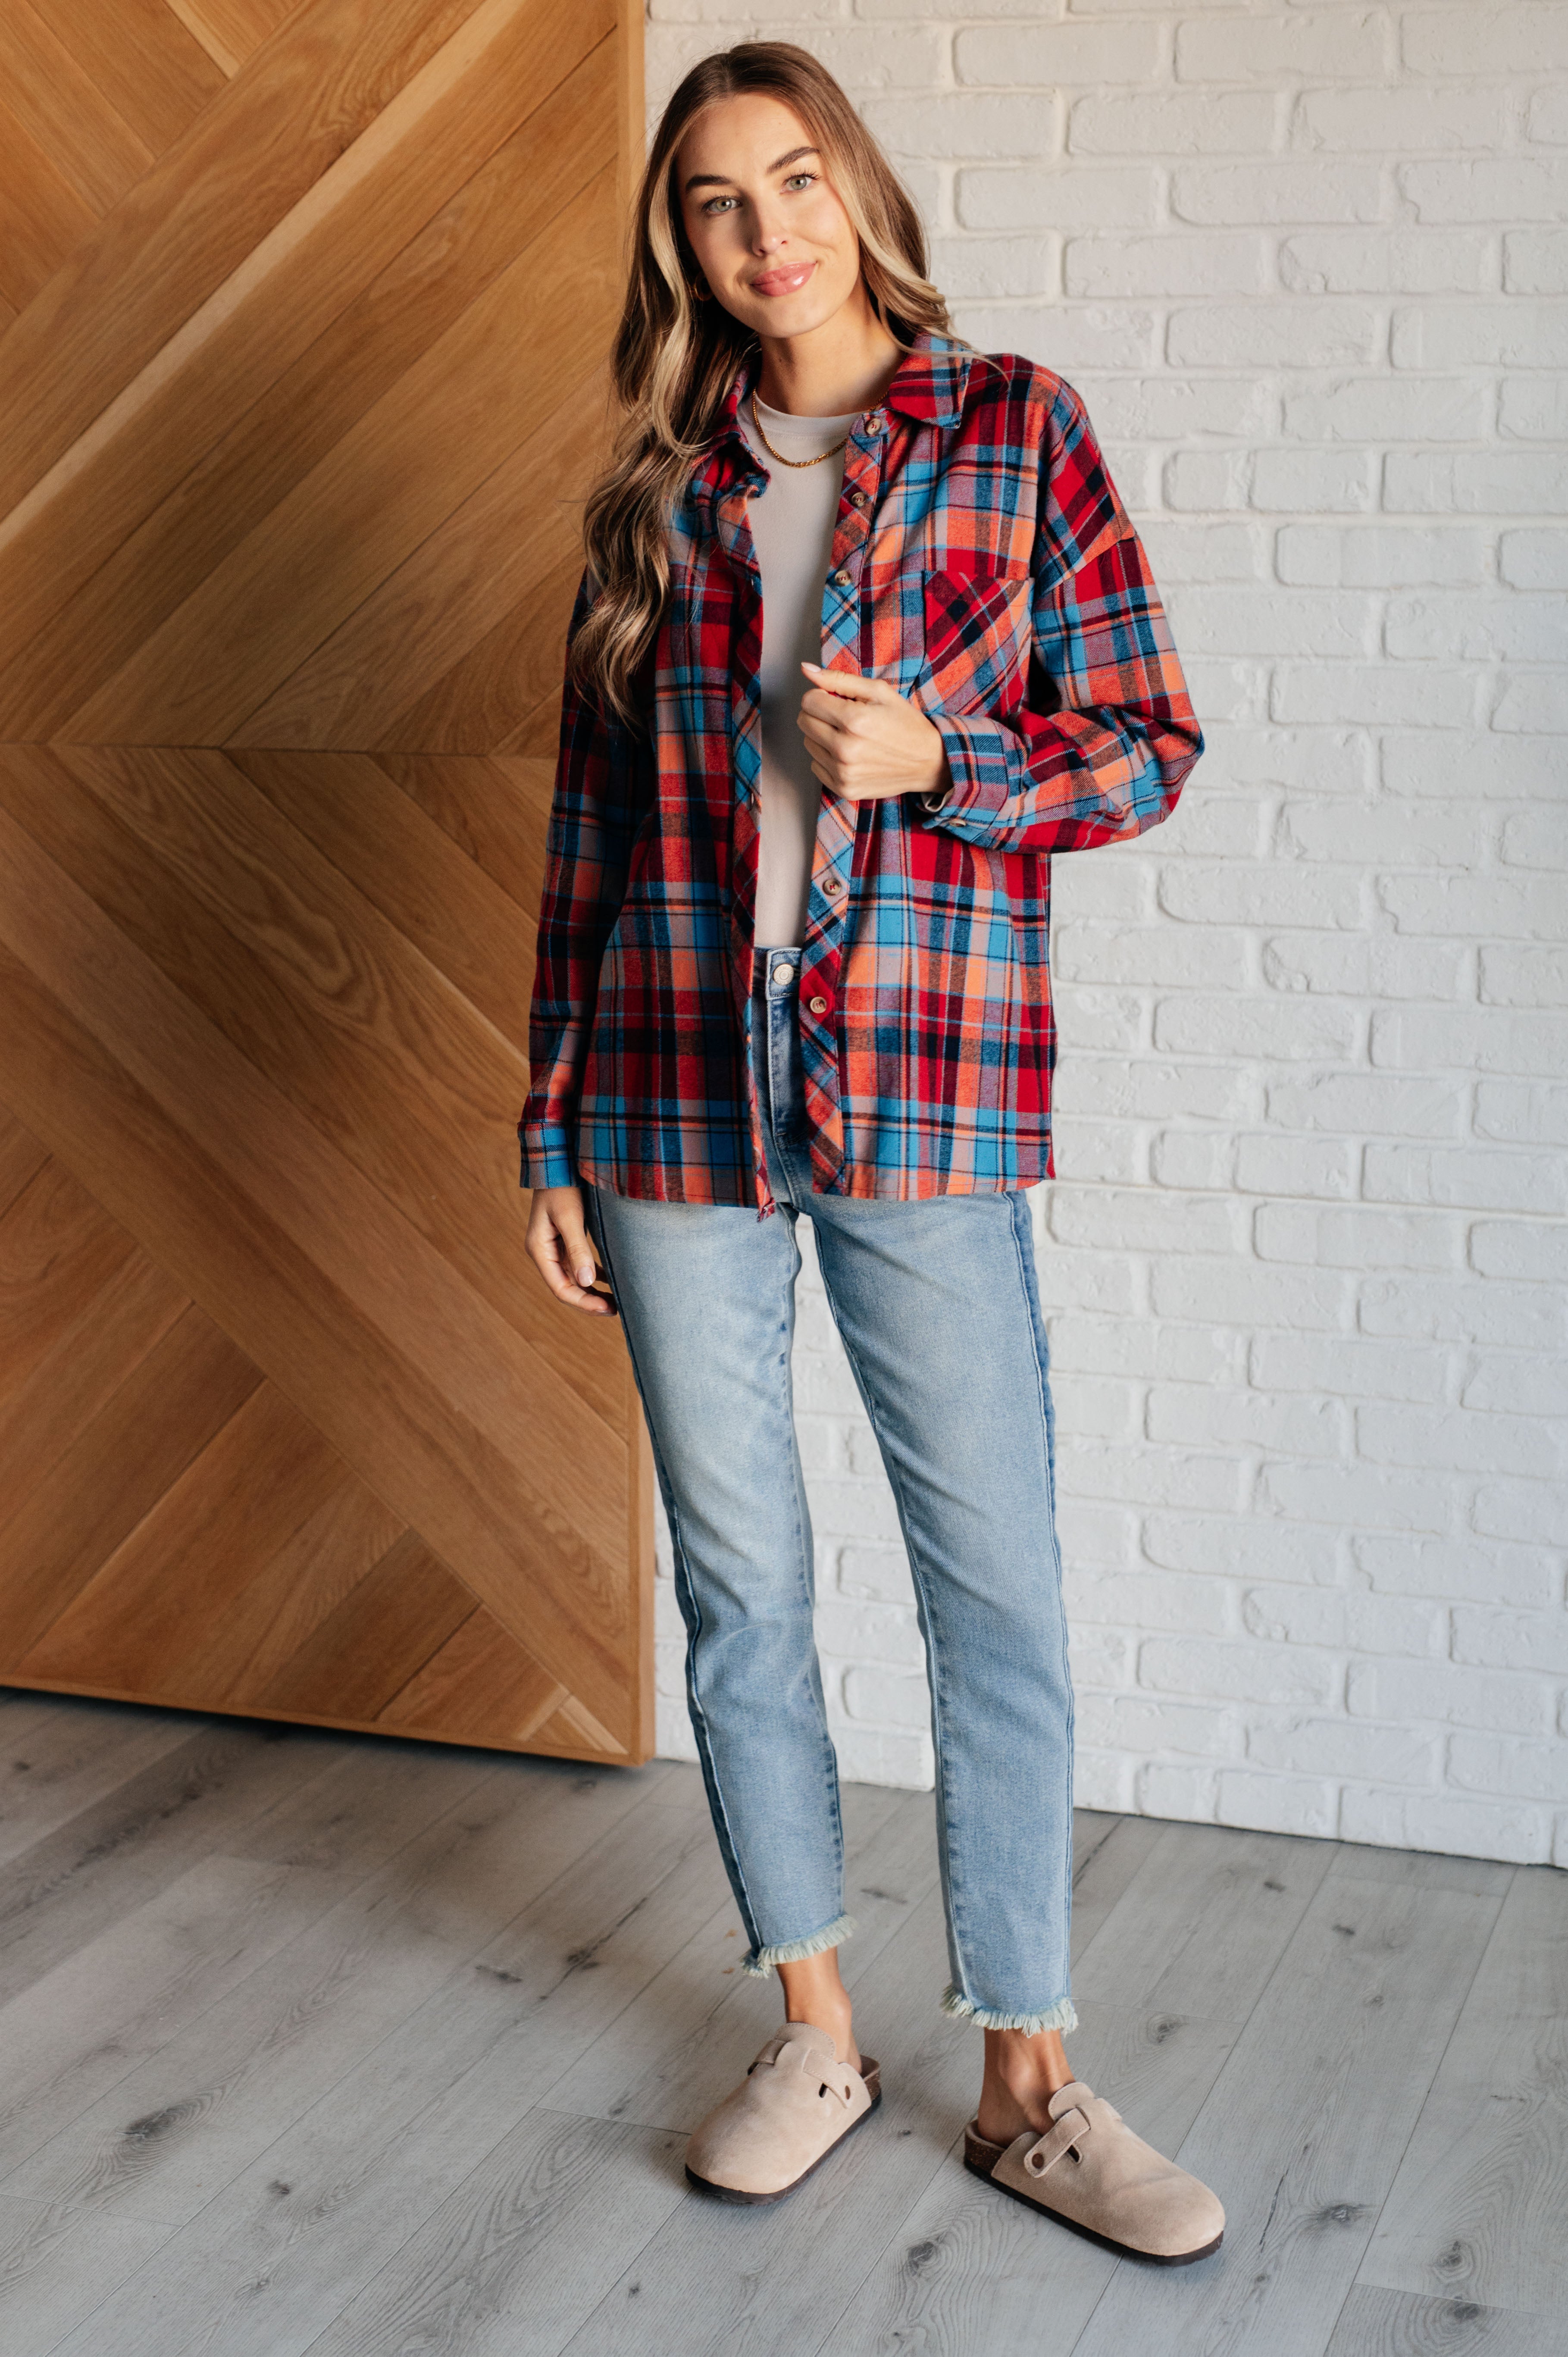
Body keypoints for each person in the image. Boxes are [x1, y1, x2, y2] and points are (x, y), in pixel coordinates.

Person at [519, 41, 1222, 2264]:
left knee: (990, 1580)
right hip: (669, 1103)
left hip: (921, 1090)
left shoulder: (1011, 428)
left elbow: (1148, 745)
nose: (768, 232)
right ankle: (814, 2021)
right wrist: (548, 1121)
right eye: (718, 203)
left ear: (859, 187)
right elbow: (589, 844)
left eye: (796, 180)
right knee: (741, 1589)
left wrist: (944, 754)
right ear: (686, 250)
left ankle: (1029, 2070)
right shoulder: (658, 499)